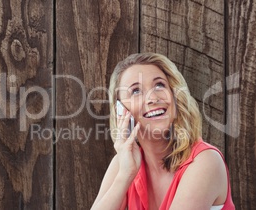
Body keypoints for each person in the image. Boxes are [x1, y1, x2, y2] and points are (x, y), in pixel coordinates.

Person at [91, 53, 235, 210]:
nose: (153, 98)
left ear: (175, 97)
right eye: (136, 91)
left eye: (159, 85)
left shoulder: (205, 161)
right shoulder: (124, 163)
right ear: (121, 111)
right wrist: (125, 175)